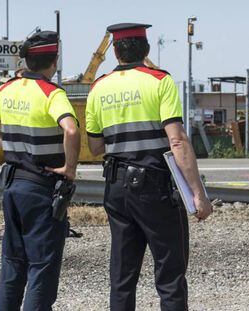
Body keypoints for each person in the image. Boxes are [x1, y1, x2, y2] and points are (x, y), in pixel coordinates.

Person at [86, 23, 213, 311]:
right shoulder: (159, 81)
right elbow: (177, 141)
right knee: (170, 277)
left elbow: (95, 148)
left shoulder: (98, 87)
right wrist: (198, 193)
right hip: (155, 188)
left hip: (116, 188)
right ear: (146, 50)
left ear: (115, 51)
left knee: (121, 276)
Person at [0, 31, 80, 310]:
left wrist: (3, 143)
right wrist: (70, 169)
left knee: (13, 263)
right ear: (53, 61)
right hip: (41, 188)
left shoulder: (7, 89)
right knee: (42, 268)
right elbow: (70, 129)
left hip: (12, 185)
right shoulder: (51, 93)